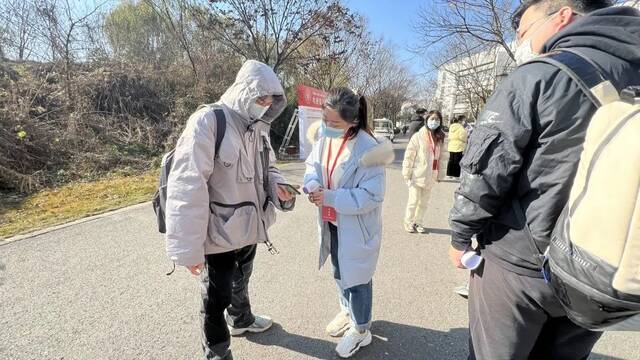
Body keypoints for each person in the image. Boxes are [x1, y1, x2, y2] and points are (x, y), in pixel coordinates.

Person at [448, 1, 640, 359]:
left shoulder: (540, 74)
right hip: (600, 270)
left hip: (520, 264)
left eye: (523, 30)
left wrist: (460, 236)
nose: (521, 40)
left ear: (563, 15)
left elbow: (487, 169)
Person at [165, 60, 298, 360]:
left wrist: (278, 188)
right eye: (260, 98)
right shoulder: (209, 121)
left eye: (270, 101)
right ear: (244, 90)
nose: (264, 105)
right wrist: (188, 249)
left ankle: (241, 319)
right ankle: (217, 354)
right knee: (215, 298)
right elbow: (187, 185)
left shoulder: (260, 130)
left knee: (243, 279)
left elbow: (270, 168)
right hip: (217, 234)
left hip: (250, 228)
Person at [303, 88, 394, 359]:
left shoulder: (371, 149)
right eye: (325, 120)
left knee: (359, 279)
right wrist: (312, 184)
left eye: (335, 124)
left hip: (356, 227)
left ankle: (361, 329)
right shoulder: (324, 137)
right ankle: (347, 310)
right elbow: (312, 165)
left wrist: (329, 196)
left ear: (352, 122)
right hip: (333, 221)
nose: (327, 127)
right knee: (340, 271)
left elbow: (372, 195)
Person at [402, 110, 446, 234]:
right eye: (432, 119)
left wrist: (441, 174)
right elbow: (409, 155)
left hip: (431, 175)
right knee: (413, 201)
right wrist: (407, 173)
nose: (434, 122)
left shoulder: (440, 137)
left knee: (424, 203)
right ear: (426, 120)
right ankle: (408, 221)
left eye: (437, 120)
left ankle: (418, 222)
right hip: (417, 175)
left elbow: (443, 157)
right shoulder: (418, 136)